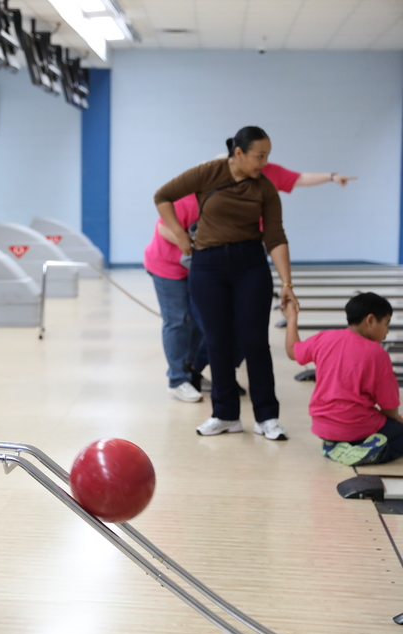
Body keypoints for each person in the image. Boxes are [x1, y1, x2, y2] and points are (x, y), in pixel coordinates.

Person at [146, 163, 356, 403]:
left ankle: (192, 372)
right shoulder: (196, 197)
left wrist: (330, 176)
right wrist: (194, 246)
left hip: (203, 268)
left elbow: (279, 221)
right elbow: (164, 228)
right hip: (168, 265)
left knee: (203, 324)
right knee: (179, 320)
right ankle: (178, 379)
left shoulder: (255, 197)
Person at [155, 126, 297, 440]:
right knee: (217, 340)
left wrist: (287, 284)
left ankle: (267, 417)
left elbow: (275, 236)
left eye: (267, 156)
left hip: (250, 264)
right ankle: (225, 414)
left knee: (254, 342)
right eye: (259, 155)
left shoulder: (265, 188)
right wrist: (180, 235)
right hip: (208, 265)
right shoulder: (209, 173)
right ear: (238, 153)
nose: (264, 162)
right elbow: (162, 196)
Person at [284, 292, 403, 466]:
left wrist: (292, 317)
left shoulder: (325, 338)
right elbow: (389, 406)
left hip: (322, 426)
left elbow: (293, 352)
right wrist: (396, 418)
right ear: (370, 320)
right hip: (356, 427)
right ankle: (360, 452)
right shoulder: (377, 354)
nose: (387, 331)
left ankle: (334, 446)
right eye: (386, 323)